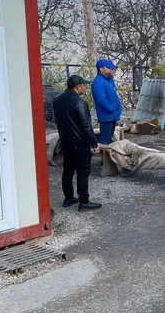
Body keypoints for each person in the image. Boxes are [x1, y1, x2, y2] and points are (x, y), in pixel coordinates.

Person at [52, 75, 102, 210]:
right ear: (78, 86)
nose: (85, 88)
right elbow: (86, 125)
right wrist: (94, 143)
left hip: (65, 140)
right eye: (83, 85)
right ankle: (84, 201)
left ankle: (68, 197)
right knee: (83, 171)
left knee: (67, 170)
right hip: (79, 142)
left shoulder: (57, 100)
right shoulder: (79, 102)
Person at [91, 58, 122, 146]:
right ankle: (103, 158)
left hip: (112, 115)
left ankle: (106, 157)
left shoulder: (109, 80)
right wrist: (111, 109)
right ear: (101, 69)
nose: (112, 70)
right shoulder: (98, 82)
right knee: (104, 138)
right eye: (109, 68)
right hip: (107, 115)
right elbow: (101, 100)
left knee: (109, 136)